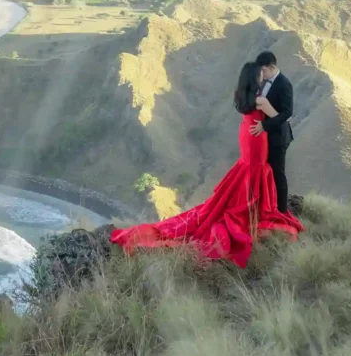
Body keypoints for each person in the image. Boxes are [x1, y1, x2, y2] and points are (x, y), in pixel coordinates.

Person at [110, 61, 303, 268]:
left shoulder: (242, 96)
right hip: (257, 137)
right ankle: (253, 206)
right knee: (256, 169)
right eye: (260, 75)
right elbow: (283, 118)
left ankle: (249, 203)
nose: (263, 77)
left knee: (248, 167)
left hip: (248, 134)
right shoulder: (261, 99)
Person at [251, 51, 294, 215]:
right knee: (264, 172)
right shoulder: (263, 82)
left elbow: (287, 113)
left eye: (264, 71)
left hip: (278, 136)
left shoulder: (284, 84)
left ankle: (282, 211)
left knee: (278, 173)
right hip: (264, 137)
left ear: (273, 67)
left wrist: (265, 125)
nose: (262, 74)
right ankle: (267, 206)